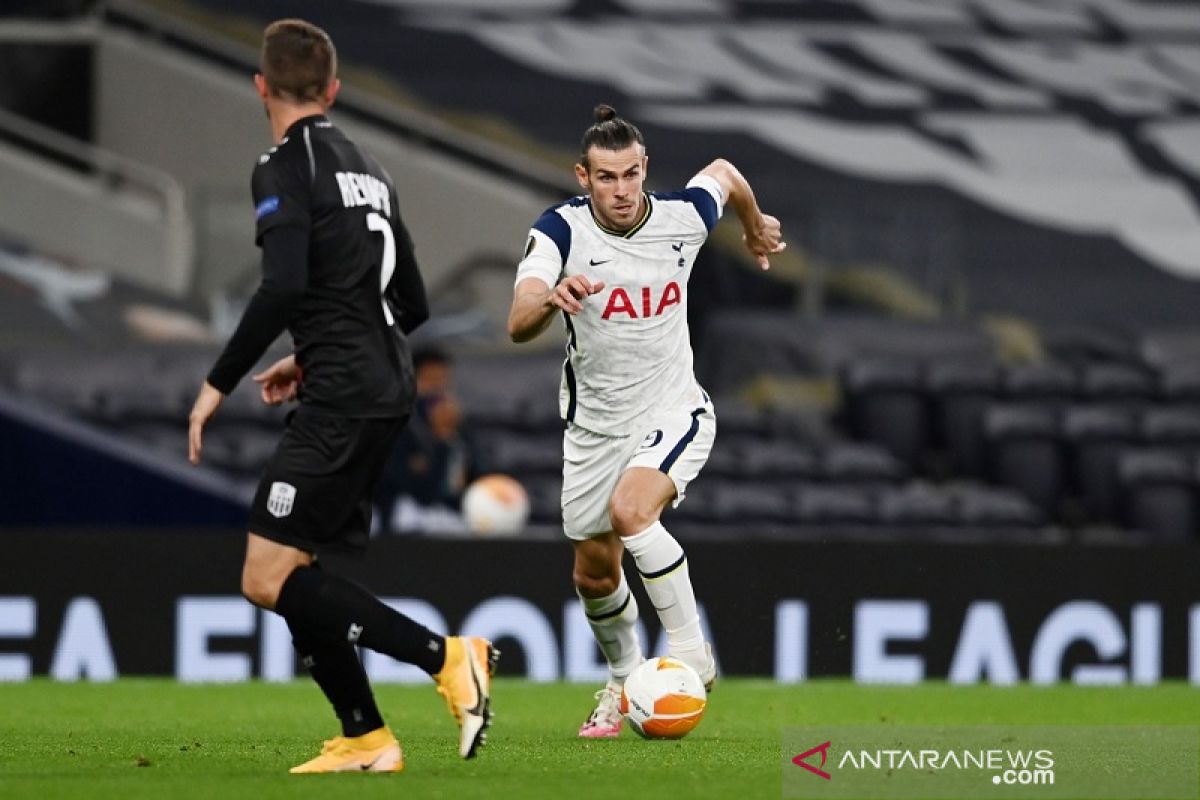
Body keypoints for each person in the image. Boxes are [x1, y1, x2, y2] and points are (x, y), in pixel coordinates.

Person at [186, 19, 495, 773]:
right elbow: (412, 301)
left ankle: (446, 657)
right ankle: (365, 736)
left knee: (264, 577)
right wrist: (312, 349)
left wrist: (217, 381)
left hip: (346, 394)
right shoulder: (371, 168)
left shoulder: (284, 168)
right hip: (382, 382)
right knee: (295, 571)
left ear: (261, 86)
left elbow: (284, 283)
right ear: (333, 90)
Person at [506, 104, 785, 737]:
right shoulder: (560, 231)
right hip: (593, 427)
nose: (622, 189)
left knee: (635, 512)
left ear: (645, 170)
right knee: (594, 573)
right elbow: (518, 320)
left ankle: (691, 652)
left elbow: (724, 172)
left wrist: (751, 226)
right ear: (583, 176)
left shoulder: (683, 218)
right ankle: (623, 678)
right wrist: (550, 300)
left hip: (673, 406)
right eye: (607, 177)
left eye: (631, 174)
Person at [374, 347, 474, 534]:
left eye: (443, 381)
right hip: (401, 519)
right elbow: (418, 490)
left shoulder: (457, 424)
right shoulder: (395, 427)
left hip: (451, 515)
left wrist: (449, 439)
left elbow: (472, 475)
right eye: (431, 381)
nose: (438, 389)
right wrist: (440, 442)